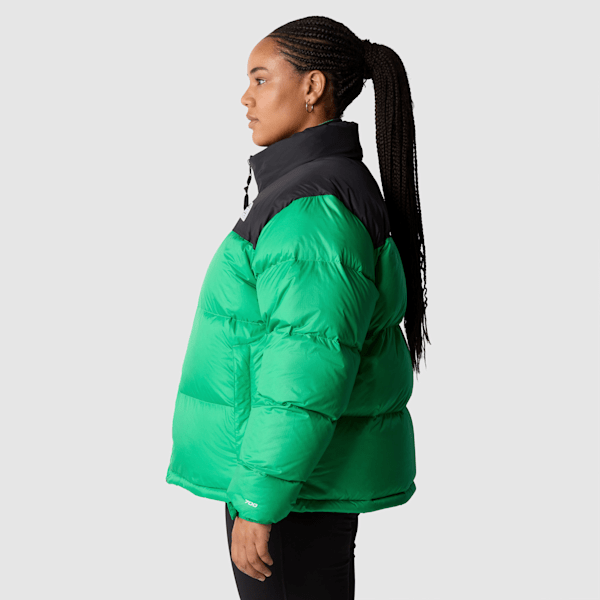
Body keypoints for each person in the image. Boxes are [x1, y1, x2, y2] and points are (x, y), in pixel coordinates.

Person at [166, 15, 429, 600]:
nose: (246, 98)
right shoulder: (312, 190)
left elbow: (306, 369)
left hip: (291, 494)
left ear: (312, 87)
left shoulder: (313, 208)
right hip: (296, 484)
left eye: (261, 79)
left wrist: (260, 498)